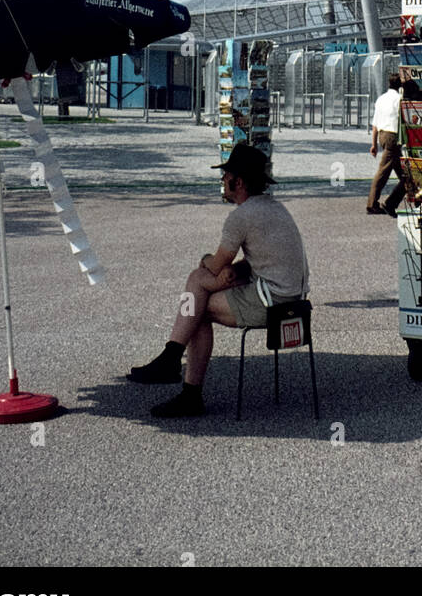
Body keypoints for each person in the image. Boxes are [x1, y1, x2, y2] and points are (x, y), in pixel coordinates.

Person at [128, 143, 309, 417]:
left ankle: (181, 377)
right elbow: (268, 258)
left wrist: (208, 261)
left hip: (272, 302)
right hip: (293, 299)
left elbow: (215, 264)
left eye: (225, 176)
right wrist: (235, 271)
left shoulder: (242, 216)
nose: (222, 181)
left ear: (238, 181)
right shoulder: (275, 208)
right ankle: (173, 362)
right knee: (199, 289)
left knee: (198, 300)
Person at [367, 73, 405, 217]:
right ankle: (374, 204)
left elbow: (375, 124)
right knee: (383, 172)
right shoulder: (399, 99)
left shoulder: (381, 99)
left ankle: (391, 203)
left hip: (383, 136)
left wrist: (374, 144)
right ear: (400, 86)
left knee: (406, 176)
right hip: (393, 137)